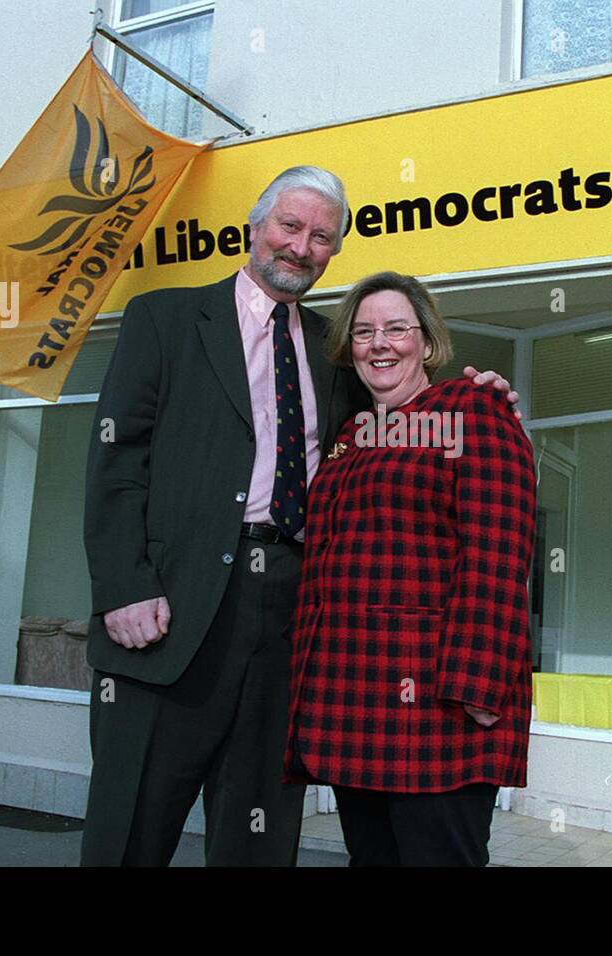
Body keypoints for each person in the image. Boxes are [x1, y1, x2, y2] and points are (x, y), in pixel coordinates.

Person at [79, 167, 519, 866]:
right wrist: (123, 585)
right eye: (290, 226)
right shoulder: (163, 319)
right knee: (130, 828)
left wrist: (476, 391)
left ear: (332, 252)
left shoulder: (333, 351)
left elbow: (402, 406)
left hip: (293, 615)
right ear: (255, 228)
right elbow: (115, 462)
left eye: (321, 237)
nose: (301, 246)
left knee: (257, 835)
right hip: (171, 609)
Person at [283, 271, 538, 867]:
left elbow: (499, 552)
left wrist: (480, 685)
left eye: (397, 328)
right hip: (352, 700)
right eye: (365, 331)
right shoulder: (350, 436)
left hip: (439, 706)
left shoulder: (472, 408)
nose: (380, 343)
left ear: (427, 343)